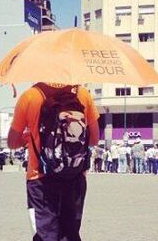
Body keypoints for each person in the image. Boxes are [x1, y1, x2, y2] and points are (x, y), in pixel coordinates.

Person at [7, 83, 100, 241]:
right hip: (75, 175)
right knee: (70, 234)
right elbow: (94, 139)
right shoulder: (82, 94)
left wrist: (30, 136)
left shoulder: (30, 96)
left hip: (40, 178)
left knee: (45, 235)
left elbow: (12, 142)